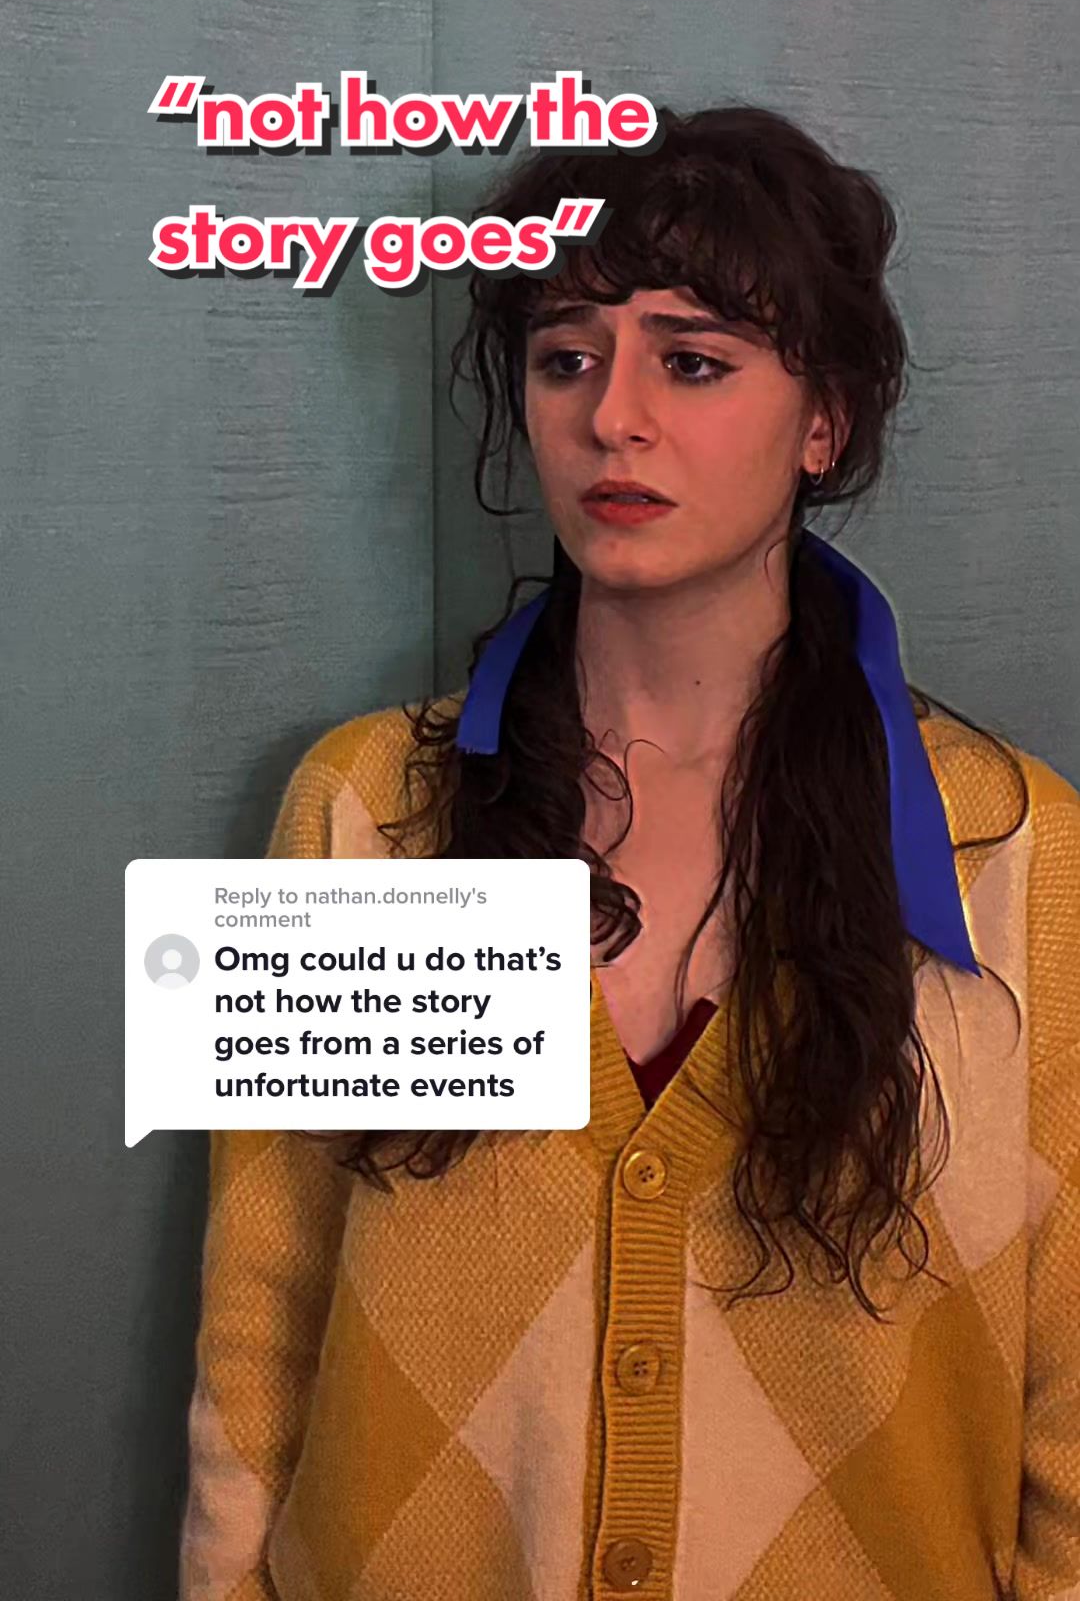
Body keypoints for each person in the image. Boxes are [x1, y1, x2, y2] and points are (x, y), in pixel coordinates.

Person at [179, 105, 1080, 1601]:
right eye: (567, 357)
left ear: (823, 422)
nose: (613, 418)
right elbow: (260, 1333)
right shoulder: (365, 815)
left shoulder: (1021, 854)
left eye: (694, 361)